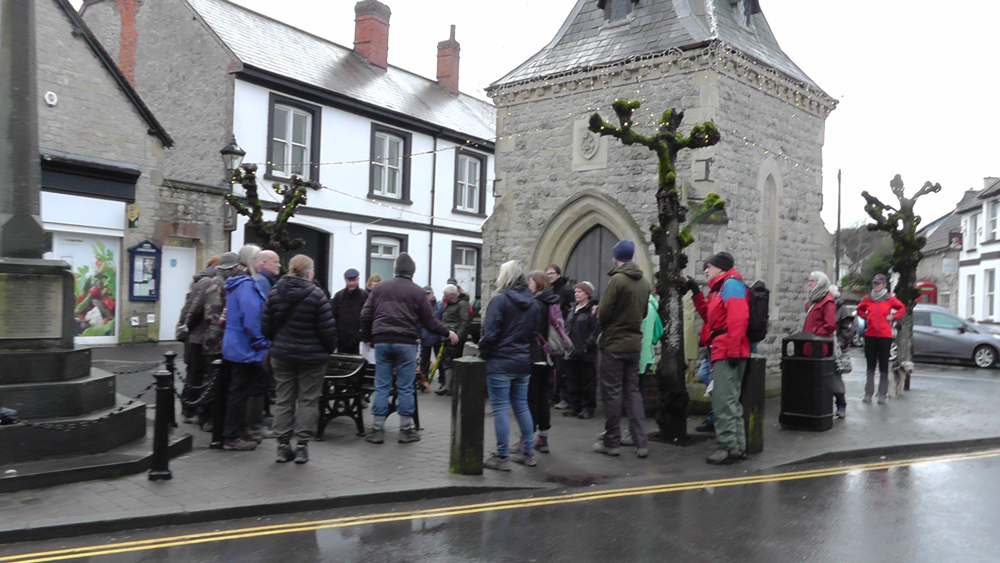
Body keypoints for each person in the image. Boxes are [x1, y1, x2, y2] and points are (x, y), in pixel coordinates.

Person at [360, 253, 458, 444]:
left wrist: (368, 338)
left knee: (382, 385)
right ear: (412, 272)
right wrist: (447, 333)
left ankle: (377, 429)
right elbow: (429, 321)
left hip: (382, 341)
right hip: (406, 343)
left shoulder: (380, 288)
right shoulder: (417, 292)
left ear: (395, 269)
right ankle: (406, 430)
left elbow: (365, 314)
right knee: (405, 387)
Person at [261, 255, 337, 464]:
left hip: (282, 355)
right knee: (308, 400)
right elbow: (328, 331)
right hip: (312, 358)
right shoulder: (317, 295)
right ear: (309, 272)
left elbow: (265, 327)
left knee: (284, 398)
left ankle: (282, 445)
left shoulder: (275, 291)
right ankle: (302, 445)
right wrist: (328, 350)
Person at [478, 260, 539, 470]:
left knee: (500, 408)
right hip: (522, 361)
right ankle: (528, 452)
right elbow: (533, 334)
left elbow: (490, 333)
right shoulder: (532, 302)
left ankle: (502, 456)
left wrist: (483, 354)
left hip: (500, 361)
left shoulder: (500, 300)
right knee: (522, 406)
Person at [691, 251, 750, 465]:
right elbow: (711, 318)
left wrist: (733, 350)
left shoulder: (731, 285)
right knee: (730, 400)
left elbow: (738, 318)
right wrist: (697, 294)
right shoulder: (720, 288)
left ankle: (727, 447)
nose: (706, 270)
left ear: (721, 268)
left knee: (723, 400)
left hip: (727, 349)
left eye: (710, 266)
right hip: (724, 348)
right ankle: (737, 447)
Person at [594, 240, 651, 459]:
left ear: (616, 256)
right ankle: (641, 443)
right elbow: (644, 313)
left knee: (612, 393)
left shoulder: (617, 280)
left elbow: (603, 314)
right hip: (634, 345)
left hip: (613, 344)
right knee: (633, 393)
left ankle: (612, 442)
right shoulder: (644, 282)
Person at [220, 245, 271, 451]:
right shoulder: (248, 285)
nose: (263, 263)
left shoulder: (238, 283)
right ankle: (232, 436)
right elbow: (251, 319)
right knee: (240, 392)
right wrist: (261, 342)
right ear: (252, 261)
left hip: (235, 345)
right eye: (260, 259)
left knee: (239, 391)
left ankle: (239, 431)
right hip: (244, 347)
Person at [190, 253, 238, 432]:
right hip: (215, 342)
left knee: (215, 382)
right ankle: (206, 417)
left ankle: (210, 416)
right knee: (211, 382)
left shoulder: (223, 284)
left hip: (216, 341)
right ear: (229, 269)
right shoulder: (217, 285)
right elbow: (212, 316)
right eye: (234, 268)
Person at [178, 255, 219, 423]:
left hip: (196, 335)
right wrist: (189, 327)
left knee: (195, 373)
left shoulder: (201, 280)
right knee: (197, 374)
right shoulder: (207, 282)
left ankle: (189, 409)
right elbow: (195, 309)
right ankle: (192, 410)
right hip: (199, 336)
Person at [857, 273, 905, 405]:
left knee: (883, 366)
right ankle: (868, 393)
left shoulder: (889, 299)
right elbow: (859, 309)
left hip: (885, 336)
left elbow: (902, 308)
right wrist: (866, 317)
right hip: (871, 335)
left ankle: (882, 395)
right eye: (874, 283)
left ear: (884, 285)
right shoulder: (868, 298)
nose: (875, 286)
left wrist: (893, 317)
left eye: (878, 284)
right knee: (870, 367)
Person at [803, 271, 846, 418]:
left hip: (823, 346)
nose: (809, 283)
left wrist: (814, 332)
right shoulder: (814, 300)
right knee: (814, 377)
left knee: (832, 376)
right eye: (809, 280)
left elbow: (830, 325)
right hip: (810, 344)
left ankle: (841, 404)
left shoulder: (827, 301)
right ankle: (815, 405)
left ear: (820, 283)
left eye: (812, 281)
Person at [563, 281, 599, 419]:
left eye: (579, 291)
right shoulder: (573, 309)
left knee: (587, 382)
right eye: (575, 292)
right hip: (572, 352)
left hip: (585, 353)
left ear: (587, 294)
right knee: (572, 381)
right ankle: (574, 406)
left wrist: (586, 346)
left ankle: (587, 408)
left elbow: (595, 330)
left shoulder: (592, 310)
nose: (576, 294)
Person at [545, 264, 575, 410]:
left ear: (558, 274)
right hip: (550, 333)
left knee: (564, 368)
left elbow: (571, 309)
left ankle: (565, 397)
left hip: (561, 333)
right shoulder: (548, 290)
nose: (549, 276)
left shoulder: (566, 290)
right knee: (551, 367)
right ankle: (552, 395)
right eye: (547, 273)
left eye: (552, 273)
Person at [434, 284, 471, 396]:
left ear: (453, 295)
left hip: (454, 338)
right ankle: (448, 386)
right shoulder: (450, 304)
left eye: (446, 295)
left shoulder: (462, 304)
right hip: (447, 337)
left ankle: (452, 386)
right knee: (446, 362)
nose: (444, 296)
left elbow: (465, 322)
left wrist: (457, 337)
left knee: (452, 362)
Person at [331, 268, 368, 354]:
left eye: (354, 280)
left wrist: (362, 336)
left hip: (359, 342)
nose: (351, 283)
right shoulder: (339, 297)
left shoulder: (365, 296)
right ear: (345, 280)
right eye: (349, 280)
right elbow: (333, 317)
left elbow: (368, 318)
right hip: (341, 341)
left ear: (358, 280)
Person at [420, 286, 443, 389]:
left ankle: (442, 381)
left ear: (432, 294)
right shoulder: (421, 307)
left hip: (437, 337)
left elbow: (442, 321)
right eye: (425, 294)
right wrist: (418, 335)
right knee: (424, 361)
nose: (427, 296)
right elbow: (418, 322)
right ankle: (423, 381)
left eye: (428, 294)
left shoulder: (439, 306)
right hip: (425, 337)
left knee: (440, 361)